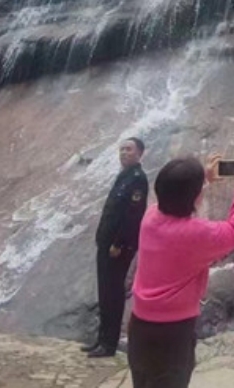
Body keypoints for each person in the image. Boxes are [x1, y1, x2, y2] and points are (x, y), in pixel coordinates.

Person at [128, 154, 234, 388]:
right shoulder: (196, 234)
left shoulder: (150, 216)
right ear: (195, 196)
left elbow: (176, 198)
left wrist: (203, 181)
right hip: (173, 331)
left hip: (139, 326)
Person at [84, 137, 149, 357]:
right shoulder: (124, 177)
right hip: (106, 244)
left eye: (129, 149)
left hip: (118, 247)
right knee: (104, 291)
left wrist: (118, 243)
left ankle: (109, 344)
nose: (124, 153)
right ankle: (101, 339)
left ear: (140, 153)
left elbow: (133, 216)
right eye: (121, 149)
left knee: (113, 293)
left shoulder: (138, 179)